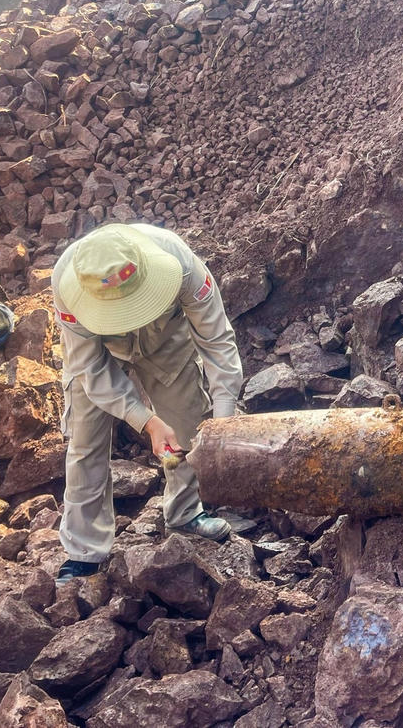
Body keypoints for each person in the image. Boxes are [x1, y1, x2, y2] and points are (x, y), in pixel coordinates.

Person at [50, 222, 243, 585]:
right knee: (85, 442)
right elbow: (91, 368)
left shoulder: (181, 264)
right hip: (99, 351)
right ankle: (84, 552)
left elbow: (217, 342)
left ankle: (186, 513)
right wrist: (147, 421)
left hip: (164, 337)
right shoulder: (67, 285)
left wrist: (222, 424)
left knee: (189, 421)